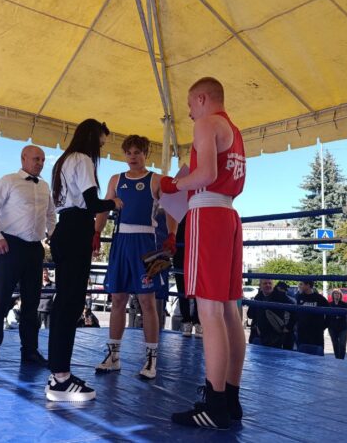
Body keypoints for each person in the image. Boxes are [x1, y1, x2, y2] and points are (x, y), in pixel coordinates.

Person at [161, 78, 246, 429]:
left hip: (208, 215)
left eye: (189, 105)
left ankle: (214, 404)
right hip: (228, 215)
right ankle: (230, 399)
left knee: (209, 310)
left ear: (200, 98)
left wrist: (173, 184)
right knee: (228, 309)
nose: (189, 113)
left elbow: (206, 173)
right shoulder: (234, 131)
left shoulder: (206, 123)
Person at [45, 119, 122, 402]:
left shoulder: (63, 161)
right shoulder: (83, 160)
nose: (101, 147)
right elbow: (92, 203)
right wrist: (114, 203)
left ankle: (58, 373)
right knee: (70, 303)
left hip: (65, 228)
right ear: (92, 137)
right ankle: (60, 378)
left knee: (64, 302)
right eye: (101, 141)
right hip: (76, 229)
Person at [94, 135, 177, 380]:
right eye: (129, 152)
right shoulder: (116, 179)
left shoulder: (156, 179)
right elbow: (104, 208)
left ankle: (151, 358)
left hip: (145, 242)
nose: (133, 157)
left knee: (147, 301)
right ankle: (113, 356)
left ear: (145, 154)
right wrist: (96, 232)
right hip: (121, 241)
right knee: (118, 299)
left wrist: (172, 234)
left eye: (137, 152)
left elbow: (172, 207)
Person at [0, 145, 56, 372]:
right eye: (36, 159)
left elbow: (51, 215)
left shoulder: (44, 186)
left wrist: (53, 234)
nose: (40, 163)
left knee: (32, 304)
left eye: (42, 160)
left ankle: (30, 351)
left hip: (34, 249)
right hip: (9, 246)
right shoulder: (9, 180)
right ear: (23, 158)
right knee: (0, 302)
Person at [173, 219, 202, 338]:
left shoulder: (198, 213)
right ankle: (189, 321)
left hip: (194, 250)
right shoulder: (178, 214)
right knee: (183, 287)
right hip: (181, 251)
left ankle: (196, 321)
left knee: (197, 286)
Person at [247, 279, 295, 348]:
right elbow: (250, 314)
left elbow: (295, 310)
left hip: (275, 337)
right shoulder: (258, 296)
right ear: (260, 286)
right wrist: (256, 325)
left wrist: (288, 327)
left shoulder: (280, 296)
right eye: (265, 283)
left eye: (270, 283)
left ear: (273, 285)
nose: (268, 285)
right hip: (260, 335)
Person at [294, 281, 329, 356]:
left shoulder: (319, 298)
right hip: (302, 334)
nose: (299, 286)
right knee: (301, 359)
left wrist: (324, 325)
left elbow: (330, 311)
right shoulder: (298, 297)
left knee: (316, 359)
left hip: (316, 335)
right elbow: (295, 313)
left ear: (308, 285)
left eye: (302, 284)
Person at [327, 289, 347, 360]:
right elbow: (328, 316)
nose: (337, 295)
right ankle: (337, 358)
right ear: (333, 295)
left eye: (338, 294)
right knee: (335, 344)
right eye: (335, 293)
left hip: (342, 327)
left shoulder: (344, 304)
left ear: (340, 295)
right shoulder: (329, 304)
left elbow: (346, 315)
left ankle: (341, 359)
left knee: (342, 344)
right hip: (332, 327)